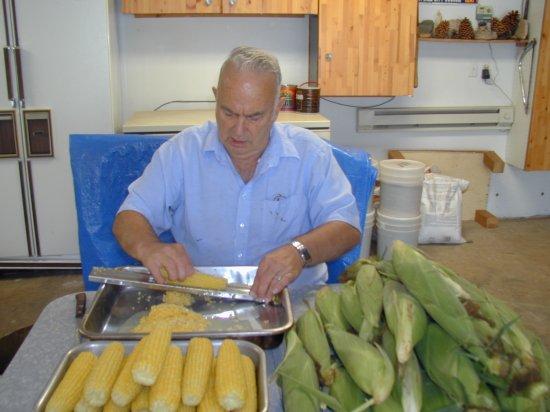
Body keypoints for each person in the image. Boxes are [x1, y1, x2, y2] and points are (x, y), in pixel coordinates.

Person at [113, 46, 361, 299]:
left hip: (295, 301)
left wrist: (300, 251)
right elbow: (130, 216)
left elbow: (346, 227)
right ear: (216, 97)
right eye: (228, 112)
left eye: (254, 116)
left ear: (277, 108)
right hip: (203, 302)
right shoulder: (182, 152)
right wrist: (149, 247)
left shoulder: (311, 154)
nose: (238, 130)